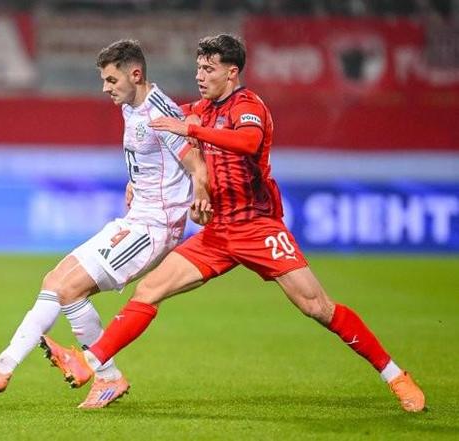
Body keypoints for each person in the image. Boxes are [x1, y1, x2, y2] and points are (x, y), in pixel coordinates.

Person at [39, 34, 426, 413]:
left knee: (317, 306)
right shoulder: (200, 109)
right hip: (217, 233)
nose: (200, 76)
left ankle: (395, 376)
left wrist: (190, 129)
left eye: (209, 69)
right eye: (198, 68)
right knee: (149, 289)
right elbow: (160, 131)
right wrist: (138, 178)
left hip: (257, 227)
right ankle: (91, 363)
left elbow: (247, 143)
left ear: (232, 72)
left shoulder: (247, 106)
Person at [0, 39, 211, 409]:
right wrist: (136, 181)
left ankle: (44, 371)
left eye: (111, 80)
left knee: (69, 288)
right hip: (136, 219)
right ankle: (20, 367)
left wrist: (199, 198)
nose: (105, 88)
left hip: (153, 228)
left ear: (136, 74)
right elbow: (155, 158)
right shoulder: (133, 106)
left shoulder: (158, 111)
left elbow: (196, 163)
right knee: (55, 282)